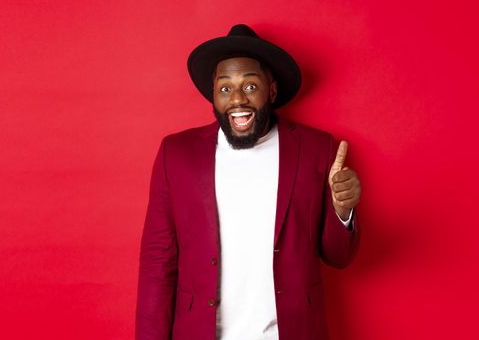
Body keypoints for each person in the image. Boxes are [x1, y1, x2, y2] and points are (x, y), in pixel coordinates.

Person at [136, 24, 361, 340]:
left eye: (250, 86)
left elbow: (338, 257)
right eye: (225, 88)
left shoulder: (315, 149)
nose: (237, 99)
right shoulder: (177, 154)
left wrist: (343, 212)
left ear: (271, 90)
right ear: (213, 93)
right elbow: (157, 265)